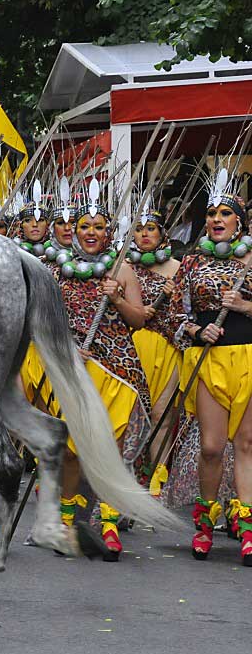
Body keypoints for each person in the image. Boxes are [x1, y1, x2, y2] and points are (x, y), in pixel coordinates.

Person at [51, 193, 152, 560]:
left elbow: (140, 320)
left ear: (109, 232)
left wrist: (118, 299)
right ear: (71, 230)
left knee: (112, 450)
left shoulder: (122, 268)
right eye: (84, 226)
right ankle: (65, 524)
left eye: (99, 227)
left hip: (117, 370)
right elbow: (43, 324)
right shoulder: (54, 268)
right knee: (72, 451)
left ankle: (108, 522)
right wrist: (66, 347)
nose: (91, 232)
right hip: (74, 368)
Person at [169, 184, 252, 565]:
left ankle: (248, 528)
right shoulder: (192, 263)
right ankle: (204, 524)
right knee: (212, 447)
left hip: (249, 358)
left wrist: (245, 306)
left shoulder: (250, 258)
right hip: (209, 360)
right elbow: (174, 314)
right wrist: (196, 331)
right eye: (212, 214)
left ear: (240, 221)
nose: (217, 220)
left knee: (248, 445)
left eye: (225, 214)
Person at [127, 206, 181, 492]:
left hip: (167, 346)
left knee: (162, 412)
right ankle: (131, 472)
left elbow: (189, 313)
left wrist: (174, 297)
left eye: (150, 228)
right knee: (134, 413)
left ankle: (159, 475)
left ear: (162, 233)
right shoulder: (122, 266)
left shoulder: (177, 268)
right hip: (133, 346)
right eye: (139, 228)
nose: (144, 234)